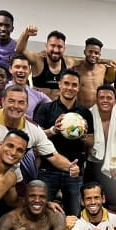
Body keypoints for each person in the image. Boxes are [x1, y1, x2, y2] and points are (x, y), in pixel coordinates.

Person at [0, 85, 79, 184]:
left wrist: (70, 167)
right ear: (3, 102)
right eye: (11, 101)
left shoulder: (33, 129)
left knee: (20, 201)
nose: (16, 106)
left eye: (21, 102)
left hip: (10, 179)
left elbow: (54, 156)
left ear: (27, 106)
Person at [33, 70, 94, 215]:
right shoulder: (45, 108)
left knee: (73, 214)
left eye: (74, 85)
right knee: (40, 213)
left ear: (78, 88)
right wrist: (54, 130)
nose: (70, 88)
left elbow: (91, 142)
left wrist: (83, 136)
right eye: (66, 83)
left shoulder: (85, 113)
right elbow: (36, 137)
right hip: (48, 170)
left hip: (74, 172)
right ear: (60, 84)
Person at [85, 85, 116, 211]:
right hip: (93, 163)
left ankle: (115, 223)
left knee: (114, 202)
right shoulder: (88, 115)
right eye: (102, 97)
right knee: (91, 200)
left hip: (115, 163)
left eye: (109, 98)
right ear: (96, 99)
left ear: (115, 100)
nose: (105, 100)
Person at [15, 27, 74, 100]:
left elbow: (83, 63)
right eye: (52, 46)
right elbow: (19, 50)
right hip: (39, 105)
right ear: (46, 46)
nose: (56, 50)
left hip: (57, 106)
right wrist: (26, 34)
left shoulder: (69, 63)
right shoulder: (38, 61)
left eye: (59, 47)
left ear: (64, 48)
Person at [73, 37, 115, 108]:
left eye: (96, 53)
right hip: (81, 109)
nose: (93, 55)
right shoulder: (76, 69)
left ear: (100, 55)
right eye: (90, 52)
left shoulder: (103, 69)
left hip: (98, 110)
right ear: (84, 52)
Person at [7, 53, 50, 119]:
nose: (21, 70)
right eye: (17, 67)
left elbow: (54, 108)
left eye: (24, 67)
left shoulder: (36, 94)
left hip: (26, 125)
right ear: (10, 69)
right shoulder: (2, 89)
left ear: (30, 71)